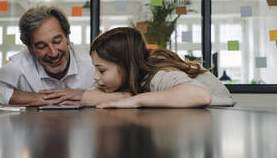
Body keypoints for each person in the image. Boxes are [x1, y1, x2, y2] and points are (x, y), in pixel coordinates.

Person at [0, 5, 94, 106]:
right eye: (41, 46)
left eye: (57, 41)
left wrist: (85, 95)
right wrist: (37, 98)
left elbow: (115, 96)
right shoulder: (21, 64)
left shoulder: (92, 61)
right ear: (31, 50)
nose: (53, 53)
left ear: (67, 38)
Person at [81, 27, 235, 108]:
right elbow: (90, 96)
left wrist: (135, 100)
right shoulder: (128, 77)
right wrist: (123, 97)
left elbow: (201, 96)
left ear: (127, 66)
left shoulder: (157, 75)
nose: (95, 76)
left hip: (218, 111)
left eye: (101, 70)